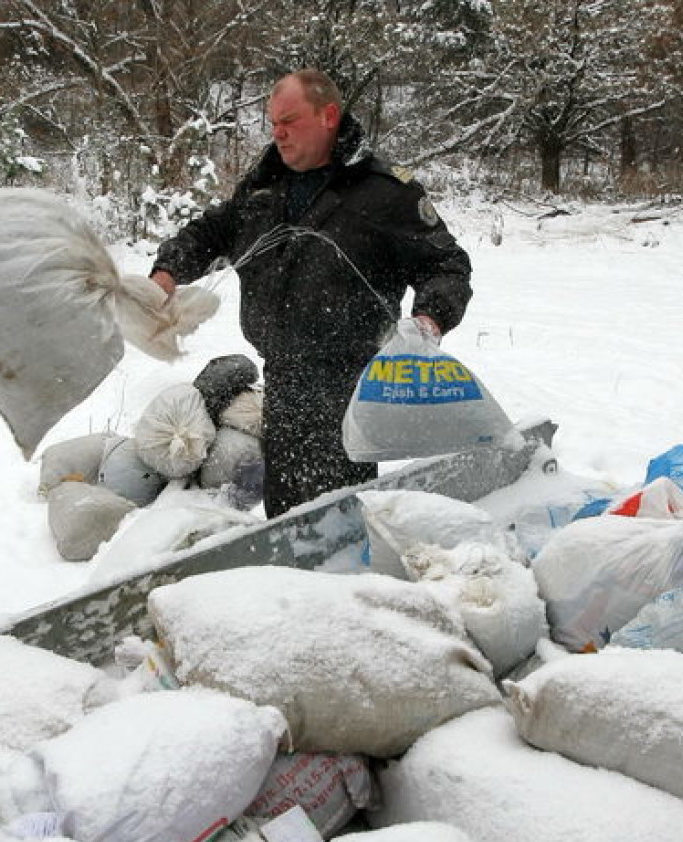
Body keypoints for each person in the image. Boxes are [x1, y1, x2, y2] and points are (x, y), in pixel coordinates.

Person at [150, 68, 472, 517]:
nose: (278, 133)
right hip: (282, 379)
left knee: (335, 522)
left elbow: (446, 265)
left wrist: (430, 318)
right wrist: (167, 272)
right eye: (273, 122)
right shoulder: (267, 183)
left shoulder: (384, 192)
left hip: (347, 385)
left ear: (329, 117)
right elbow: (215, 231)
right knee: (284, 518)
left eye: (290, 121)